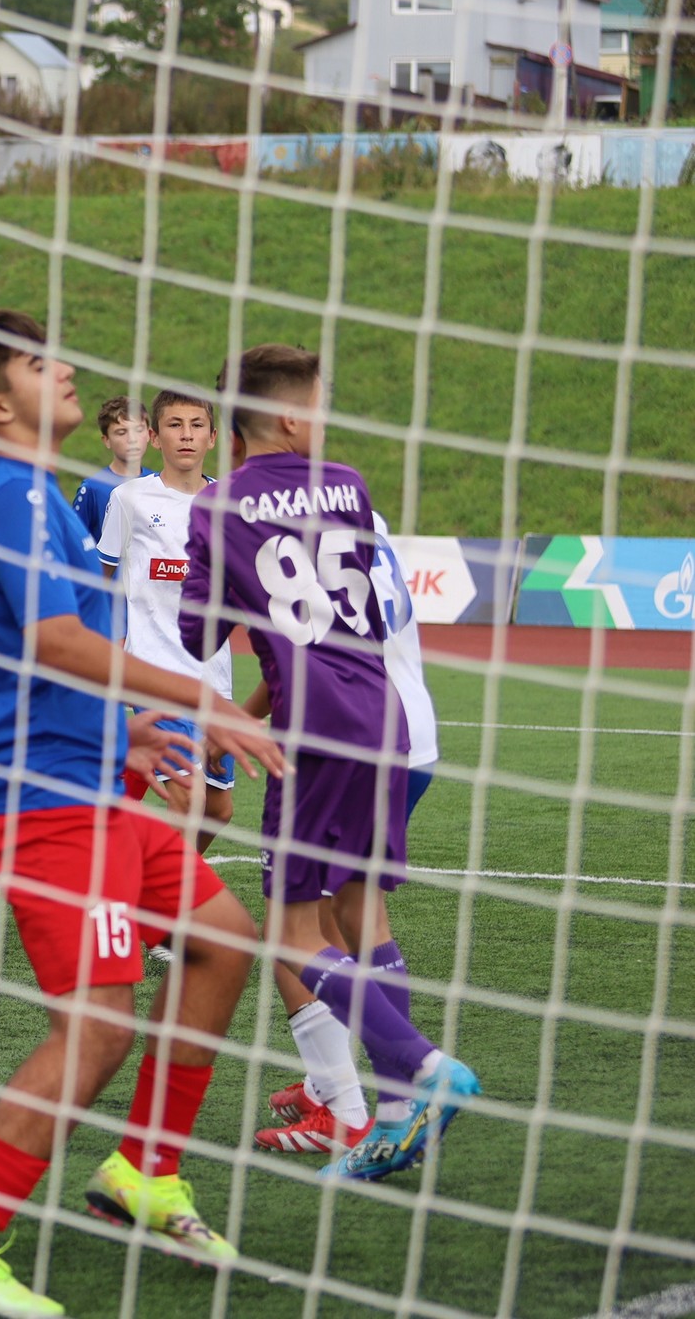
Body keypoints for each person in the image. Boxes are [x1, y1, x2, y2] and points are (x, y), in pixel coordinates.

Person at [0, 310, 286, 1319]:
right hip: (47, 811)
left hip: (96, 784)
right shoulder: (7, 493)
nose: (65, 367)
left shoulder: (50, 501)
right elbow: (57, 642)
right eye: (37, 362)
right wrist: (196, 700)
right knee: (100, 1026)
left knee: (223, 942)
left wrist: (130, 741)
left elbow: (42, 665)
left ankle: (144, 1171)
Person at [179, 344, 479, 1181]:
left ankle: (421, 1067)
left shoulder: (216, 505)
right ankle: (390, 1117)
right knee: (362, 914)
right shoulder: (347, 483)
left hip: (310, 729)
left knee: (290, 930)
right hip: (386, 715)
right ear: (292, 416)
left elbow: (198, 634)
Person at [255, 520, 446, 1158]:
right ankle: (353, 1090)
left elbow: (289, 647)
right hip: (409, 728)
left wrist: (229, 716)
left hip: (344, 734)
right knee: (351, 912)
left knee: (292, 927)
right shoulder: (362, 509)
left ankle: (359, 1101)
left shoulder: (272, 516)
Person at [98, 390, 236, 843]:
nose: (187, 435)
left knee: (218, 807)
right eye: (175, 425)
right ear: (155, 437)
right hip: (153, 669)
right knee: (187, 796)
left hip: (213, 676)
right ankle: (164, 903)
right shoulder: (129, 498)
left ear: (213, 437)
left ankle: (170, 879)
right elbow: (102, 579)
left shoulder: (233, 506)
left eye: (197, 425)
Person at [70, 394, 149, 546]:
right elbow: (75, 543)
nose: (132, 439)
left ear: (149, 434)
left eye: (139, 430)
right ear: (106, 440)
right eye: (121, 432)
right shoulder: (92, 488)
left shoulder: (158, 482)